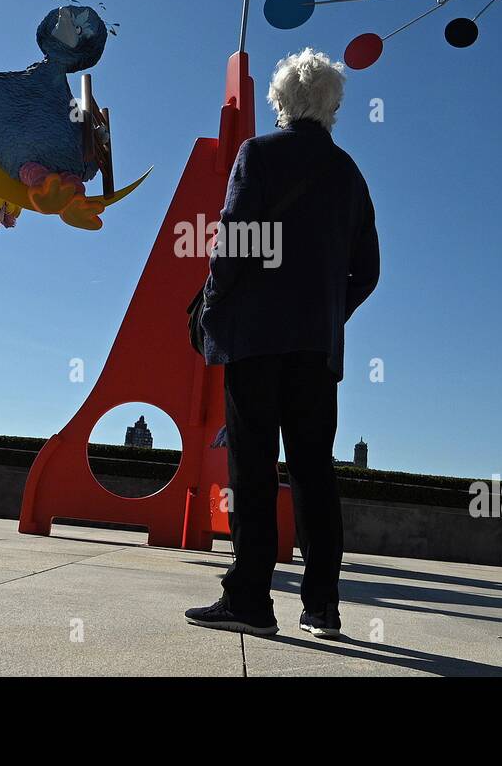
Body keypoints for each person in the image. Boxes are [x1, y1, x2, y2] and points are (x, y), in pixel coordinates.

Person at [185, 48, 379, 639]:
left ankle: (250, 599)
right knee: (315, 472)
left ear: (280, 101)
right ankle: (322, 606)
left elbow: (235, 244)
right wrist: (325, 316)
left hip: (255, 341)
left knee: (254, 470)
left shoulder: (259, 155)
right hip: (316, 351)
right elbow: (367, 271)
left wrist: (213, 306)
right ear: (333, 106)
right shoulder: (348, 174)